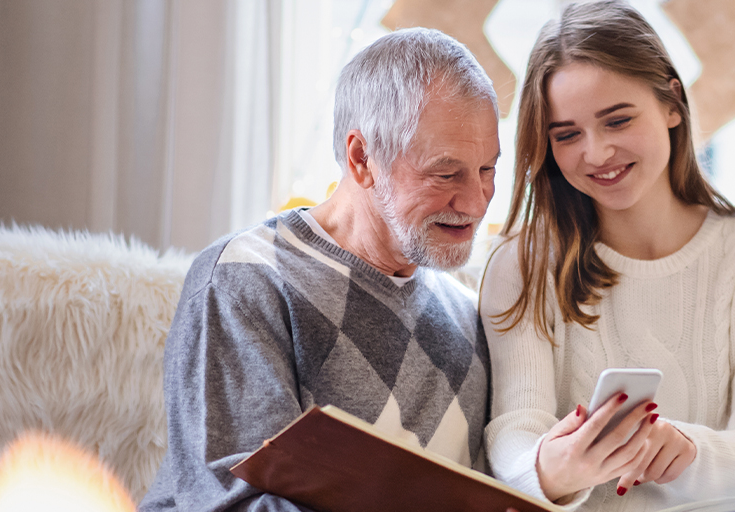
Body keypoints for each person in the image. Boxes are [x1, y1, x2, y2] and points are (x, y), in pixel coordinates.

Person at [140, 28, 504, 511]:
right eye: (446, 173)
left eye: (488, 170)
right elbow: (222, 504)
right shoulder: (246, 279)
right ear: (362, 158)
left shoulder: (466, 313)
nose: (476, 202)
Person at [479, 1, 735, 510]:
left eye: (617, 120)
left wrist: (686, 450)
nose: (596, 153)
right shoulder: (523, 263)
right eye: (567, 134)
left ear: (672, 103)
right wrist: (552, 467)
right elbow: (514, 427)